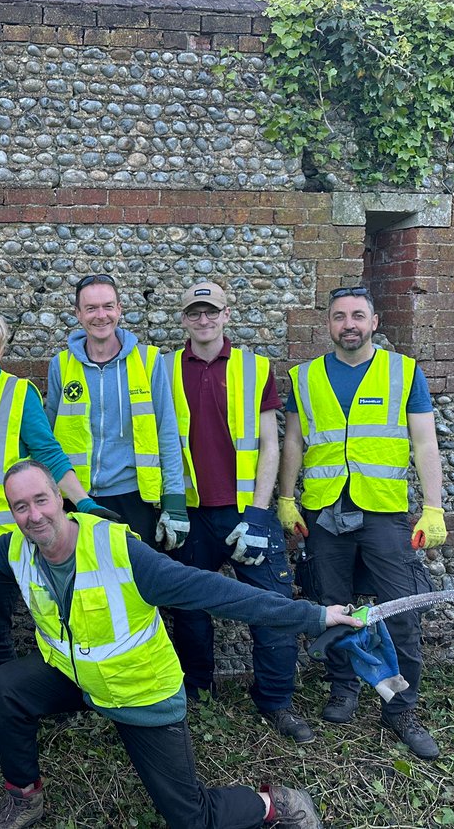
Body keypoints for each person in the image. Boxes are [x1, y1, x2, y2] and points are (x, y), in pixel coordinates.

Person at [0, 460, 361, 829]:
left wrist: (314, 615)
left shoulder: (121, 552)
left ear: (61, 499)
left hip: (139, 693)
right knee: (7, 686)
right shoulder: (16, 550)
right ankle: (24, 795)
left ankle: (274, 805)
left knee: (189, 816)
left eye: (42, 501)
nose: (34, 516)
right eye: (21, 507)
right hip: (75, 676)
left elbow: (217, 593)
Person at [278, 286, 445, 761]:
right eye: (338, 317)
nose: (348, 324)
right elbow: (294, 443)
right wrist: (287, 499)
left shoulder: (403, 372)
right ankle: (343, 687)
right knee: (333, 606)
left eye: (357, 316)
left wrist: (433, 507)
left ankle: (400, 709)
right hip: (324, 514)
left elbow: (425, 443)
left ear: (374, 322)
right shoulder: (305, 377)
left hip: (384, 512)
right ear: (327, 324)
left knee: (403, 611)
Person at [163, 281, 312, 743]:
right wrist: (170, 505)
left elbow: (271, 444)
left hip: (246, 511)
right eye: (194, 313)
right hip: (189, 512)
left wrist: (258, 513)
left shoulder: (255, 367)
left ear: (227, 315)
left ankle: (275, 701)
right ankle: (197, 694)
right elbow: (159, 440)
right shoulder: (162, 369)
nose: (203, 320)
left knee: (271, 607)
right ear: (183, 319)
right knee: (187, 609)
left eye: (211, 312)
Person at [0, 311, 101, 729]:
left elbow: (47, 452)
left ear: (2, 351)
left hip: (4, 534)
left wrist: (81, 502)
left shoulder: (18, 393)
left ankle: (7, 708)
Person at [45, 273, 189, 550]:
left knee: (133, 587)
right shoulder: (60, 365)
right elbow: (48, 441)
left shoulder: (148, 361)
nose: (101, 315)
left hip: (134, 500)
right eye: (91, 308)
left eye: (108, 306)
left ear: (120, 309)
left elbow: (167, 431)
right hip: (76, 497)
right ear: (77, 314)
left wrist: (175, 501)